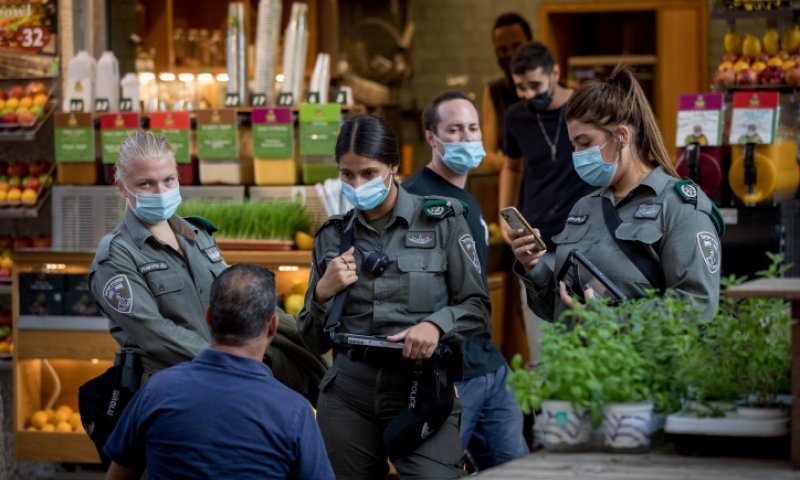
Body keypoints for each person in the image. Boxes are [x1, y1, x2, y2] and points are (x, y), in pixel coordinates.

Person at [298, 115, 490, 479]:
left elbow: (478, 307)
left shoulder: (442, 221)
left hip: (421, 387)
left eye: (369, 173)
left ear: (393, 166)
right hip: (348, 389)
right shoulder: (332, 236)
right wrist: (322, 294)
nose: (357, 184)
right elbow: (311, 339)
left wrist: (436, 325)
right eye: (347, 174)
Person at [88, 130, 327, 396]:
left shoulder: (196, 235)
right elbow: (156, 334)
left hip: (230, 383)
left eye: (168, 180)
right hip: (174, 392)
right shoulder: (116, 257)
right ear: (122, 187)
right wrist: (231, 365)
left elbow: (239, 301)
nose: (161, 191)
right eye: (146, 184)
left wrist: (306, 333)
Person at [511, 64, 723, 323]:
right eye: (574, 144)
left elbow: (698, 306)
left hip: (639, 362)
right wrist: (533, 267)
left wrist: (614, 318)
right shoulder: (584, 208)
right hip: (580, 360)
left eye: (585, 143)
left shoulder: (679, 206)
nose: (577, 154)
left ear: (622, 135)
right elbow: (560, 310)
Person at [103, 264, 335, 480]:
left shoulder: (155, 391)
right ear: (273, 326)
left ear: (209, 317)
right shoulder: (294, 411)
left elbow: (118, 474)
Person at [403, 90, 528, 470]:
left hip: (488, 364)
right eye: (454, 130)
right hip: (451, 374)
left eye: (473, 128)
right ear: (431, 137)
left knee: (518, 468)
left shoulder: (468, 201)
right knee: (438, 470)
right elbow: (414, 292)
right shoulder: (414, 200)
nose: (468, 137)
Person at [478, 12, 532, 173]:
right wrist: (523, 169)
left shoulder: (558, 88)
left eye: (517, 46)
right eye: (502, 49)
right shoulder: (494, 91)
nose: (510, 54)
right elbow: (487, 156)